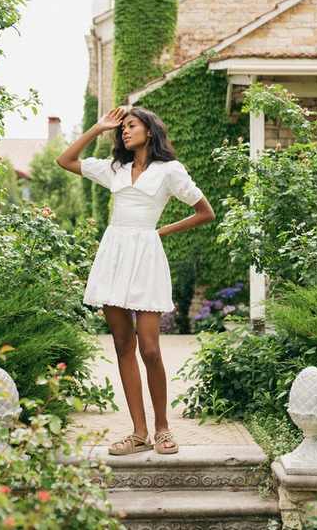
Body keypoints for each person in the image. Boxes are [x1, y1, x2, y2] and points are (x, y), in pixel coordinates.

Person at [56, 107, 215, 455]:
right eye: (121, 127)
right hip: (113, 255)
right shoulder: (115, 168)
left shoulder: (169, 170)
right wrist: (98, 127)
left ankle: (163, 429)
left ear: (149, 129)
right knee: (122, 344)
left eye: (131, 125)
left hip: (146, 257)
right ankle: (139, 433)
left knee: (151, 349)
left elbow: (206, 212)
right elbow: (65, 160)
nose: (124, 131)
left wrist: (159, 231)